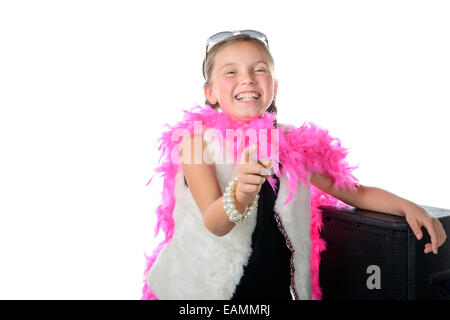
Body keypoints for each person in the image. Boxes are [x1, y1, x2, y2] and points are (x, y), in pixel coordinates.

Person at [141, 30, 447, 300]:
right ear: (210, 93)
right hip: (205, 294)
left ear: (274, 86)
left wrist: (408, 207)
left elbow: (356, 193)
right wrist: (240, 193)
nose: (246, 78)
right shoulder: (195, 143)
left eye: (259, 69)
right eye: (230, 72)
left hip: (275, 289)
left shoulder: (292, 144)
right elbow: (215, 222)